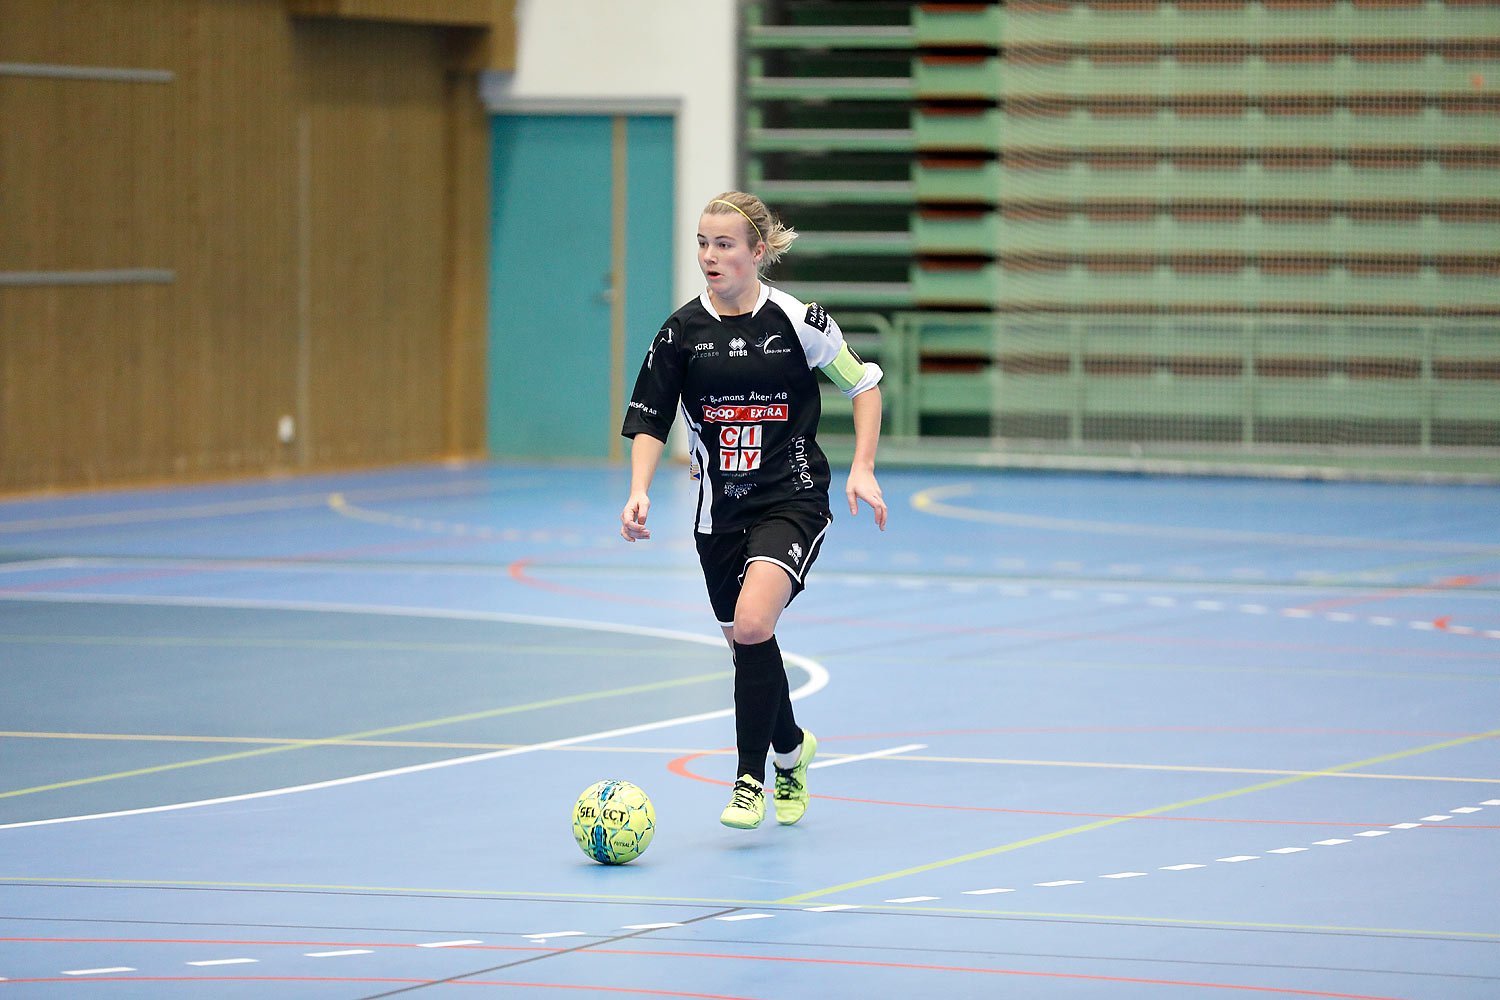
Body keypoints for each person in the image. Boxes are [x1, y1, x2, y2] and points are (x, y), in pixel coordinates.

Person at [619, 190, 887, 830]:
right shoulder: (681, 332)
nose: (710, 257)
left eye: (725, 245)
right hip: (718, 513)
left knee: (751, 624)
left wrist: (864, 466)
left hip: (791, 497)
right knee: (750, 642)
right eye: (703, 244)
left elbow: (865, 384)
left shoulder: (799, 321)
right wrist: (639, 488)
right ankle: (792, 750)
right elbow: (650, 420)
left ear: (757, 253)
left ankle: (749, 779)